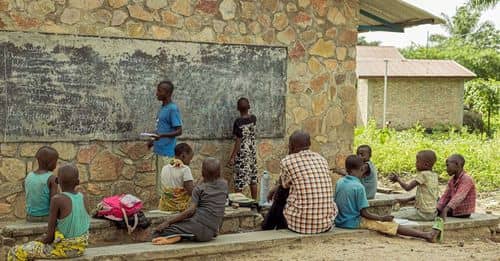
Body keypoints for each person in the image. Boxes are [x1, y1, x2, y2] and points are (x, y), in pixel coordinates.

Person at [334, 155, 441, 243]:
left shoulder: (340, 182)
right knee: (388, 225)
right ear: (362, 169)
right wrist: (381, 218)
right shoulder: (358, 187)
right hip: (352, 222)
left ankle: (426, 235)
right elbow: (364, 213)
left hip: (339, 220)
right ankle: (426, 235)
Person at [8, 165, 90, 260]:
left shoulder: (57, 200)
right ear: (78, 182)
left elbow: (50, 237)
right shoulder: (84, 197)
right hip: (81, 248)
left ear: (57, 181)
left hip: (63, 249)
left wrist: (38, 241)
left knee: (16, 251)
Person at [265, 131, 335, 234]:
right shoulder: (322, 159)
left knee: (282, 191)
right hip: (325, 225)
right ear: (310, 144)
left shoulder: (287, 161)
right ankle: (270, 225)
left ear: (291, 145)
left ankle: (268, 226)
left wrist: (274, 189)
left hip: (299, 225)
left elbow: (283, 184)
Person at [152, 157, 228, 244]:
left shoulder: (199, 189)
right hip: (212, 232)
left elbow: (190, 211)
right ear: (219, 172)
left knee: (158, 233)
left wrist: (167, 222)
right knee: (187, 225)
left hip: (197, 226)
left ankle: (175, 237)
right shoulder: (224, 184)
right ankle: (181, 236)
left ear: (202, 172)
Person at [146, 80, 183, 193]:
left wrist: (161, 135)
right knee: (161, 185)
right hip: (160, 151)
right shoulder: (163, 108)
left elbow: (179, 130)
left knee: (166, 187)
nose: (156, 93)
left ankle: (167, 209)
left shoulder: (172, 109)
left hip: (168, 153)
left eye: (159, 91)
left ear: (167, 93)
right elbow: (161, 129)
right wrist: (153, 140)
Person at [389, 150, 439, 221]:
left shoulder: (423, 175)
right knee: (403, 209)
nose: (415, 164)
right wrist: (405, 200)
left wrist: (397, 179)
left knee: (393, 215)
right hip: (432, 213)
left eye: (417, 161)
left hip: (423, 214)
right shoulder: (434, 175)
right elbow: (427, 195)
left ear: (426, 165)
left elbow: (407, 188)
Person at [228, 97, 258, 199]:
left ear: (237, 108)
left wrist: (232, 157)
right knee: (253, 179)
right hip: (252, 152)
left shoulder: (238, 122)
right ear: (249, 107)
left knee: (239, 181)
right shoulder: (253, 118)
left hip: (242, 154)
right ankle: (254, 202)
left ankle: (239, 203)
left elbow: (238, 140)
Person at [24, 146, 59, 222]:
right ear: (51, 163)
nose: (56, 164)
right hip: (46, 217)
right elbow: (54, 202)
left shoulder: (29, 176)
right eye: (56, 161)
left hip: (30, 217)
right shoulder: (52, 178)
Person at [437, 154, 476, 220]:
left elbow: (459, 197)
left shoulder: (466, 179)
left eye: (447, 165)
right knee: (435, 205)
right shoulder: (452, 180)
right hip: (452, 209)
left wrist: (445, 210)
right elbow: (445, 196)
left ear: (457, 164)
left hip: (462, 212)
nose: (446, 169)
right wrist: (438, 208)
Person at [158, 143, 195, 212]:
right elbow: (192, 192)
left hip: (165, 206)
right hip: (180, 207)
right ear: (183, 155)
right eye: (189, 159)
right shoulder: (185, 169)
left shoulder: (164, 168)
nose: (190, 162)